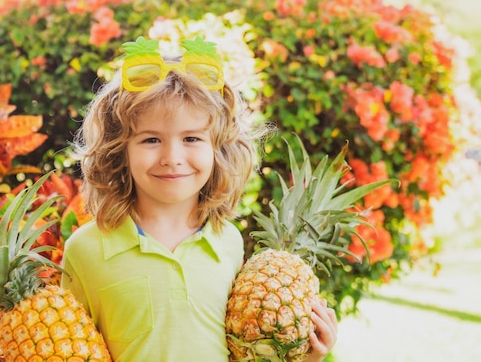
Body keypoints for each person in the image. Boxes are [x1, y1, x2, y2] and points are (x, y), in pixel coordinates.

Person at [61, 36, 337, 361]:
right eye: (151, 139)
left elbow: (240, 353)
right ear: (119, 150)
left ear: (219, 150)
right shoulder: (86, 250)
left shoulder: (228, 244)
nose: (172, 157)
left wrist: (307, 357)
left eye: (191, 138)